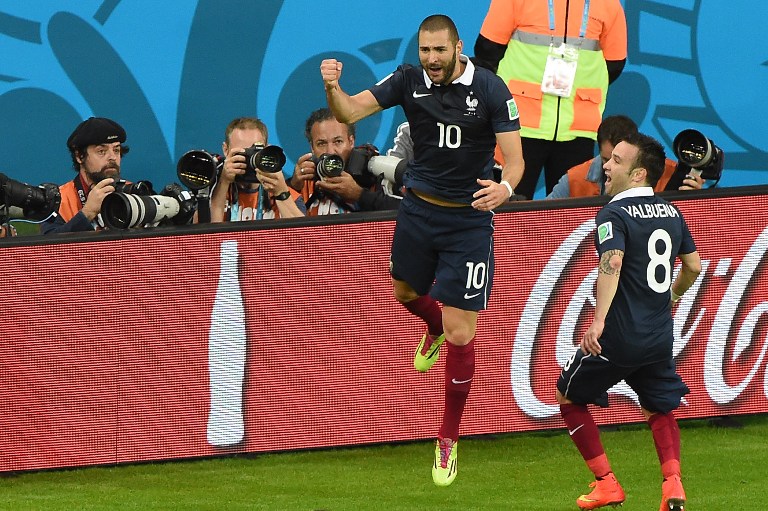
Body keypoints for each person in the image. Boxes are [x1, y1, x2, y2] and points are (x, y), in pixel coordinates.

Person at [321, 14, 524, 486]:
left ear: (457, 48)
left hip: (468, 221)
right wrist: (332, 88)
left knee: (459, 332)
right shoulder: (409, 80)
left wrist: (506, 190)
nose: (431, 59)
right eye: (424, 50)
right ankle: (429, 325)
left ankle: (448, 437)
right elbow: (349, 113)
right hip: (417, 212)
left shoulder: (492, 90)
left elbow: (514, 161)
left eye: (439, 50)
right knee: (404, 293)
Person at [555, 132, 701, 510]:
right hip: (657, 336)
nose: (606, 164)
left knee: (568, 397)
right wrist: (672, 295)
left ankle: (607, 483)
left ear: (638, 174)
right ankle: (673, 486)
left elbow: (613, 261)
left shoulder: (614, 213)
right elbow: (694, 266)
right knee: (658, 408)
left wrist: (598, 320)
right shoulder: (671, 211)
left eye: (617, 161)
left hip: (618, 335)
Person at [474, 0, 627, 199]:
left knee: (571, 219)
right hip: (519, 124)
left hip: (578, 126)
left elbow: (615, 63)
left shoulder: (609, 4)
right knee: (509, 211)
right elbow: (487, 50)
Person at [546, 115, 704, 199]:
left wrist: (693, 200)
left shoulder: (672, 175)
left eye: (617, 161)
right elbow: (538, 220)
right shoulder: (574, 179)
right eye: (606, 159)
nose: (608, 167)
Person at [289, 108, 401, 214]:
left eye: (338, 141)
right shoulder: (304, 181)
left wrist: (360, 195)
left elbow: (411, 213)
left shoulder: (372, 174)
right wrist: (292, 187)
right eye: (321, 144)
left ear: (351, 141)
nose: (330, 151)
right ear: (312, 148)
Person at [41, 117, 129, 234]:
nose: (112, 157)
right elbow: (49, 249)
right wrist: (87, 213)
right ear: (79, 156)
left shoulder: (132, 192)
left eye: (116, 150)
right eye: (101, 151)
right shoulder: (59, 200)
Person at [210, 117, 305, 222]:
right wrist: (224, 182)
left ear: (267, 150)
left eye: (254, 151)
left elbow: (303, 236)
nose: (249, 158)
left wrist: (281, 192)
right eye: (243, 152)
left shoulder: (287, 194)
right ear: (226, 150)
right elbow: (206, 236)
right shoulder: (213, 194)